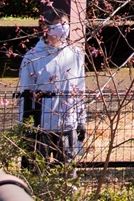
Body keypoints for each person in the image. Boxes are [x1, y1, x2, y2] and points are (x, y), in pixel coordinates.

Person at [17, 20, 86, 162]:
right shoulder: (32, 57)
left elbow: (80, 90)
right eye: (60, 24)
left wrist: (81, 120)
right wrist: (25, 125)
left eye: (66, 24)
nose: (64, 28)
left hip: (68, 125)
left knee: (67, 171)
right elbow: (25, 93)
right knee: (37, 170)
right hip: (41, 126)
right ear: (45, 28)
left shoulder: (74, 54)